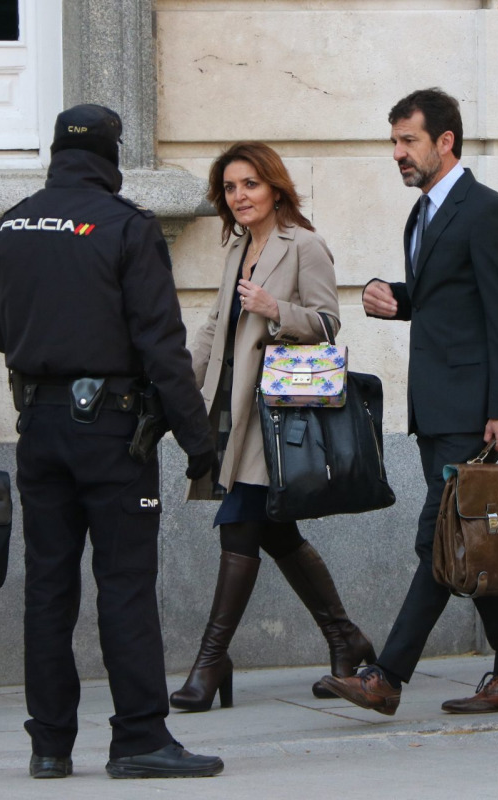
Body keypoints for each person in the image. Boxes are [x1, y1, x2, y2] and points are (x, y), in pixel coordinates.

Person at [0, 104, 224, 780]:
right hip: (113, 434)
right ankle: (139, 738)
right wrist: (199, 442)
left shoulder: (11, 226)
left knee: (48, 588)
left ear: (56, 152)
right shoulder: (126, 226)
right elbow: (162, 346)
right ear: (111, 156)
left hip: (39, 427)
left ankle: (49, 745)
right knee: (124, 585)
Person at [320, 88, 498, 715]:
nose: (398, 153)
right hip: (436, 408)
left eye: (409, 140)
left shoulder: (488, 212)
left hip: (473, 411)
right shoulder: (422, 215)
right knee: (466, 539)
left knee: (439, 539)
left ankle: (386, 676)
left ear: (445, 141)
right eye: (394, 141)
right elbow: (445, 296)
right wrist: (397, 298)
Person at [170, 142, 376, 712]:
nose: (239, 196)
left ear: (275, 188)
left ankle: (211, 662)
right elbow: (215, 326)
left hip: (278, 414)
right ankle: (344, 637)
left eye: (250, 184)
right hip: (235, 411)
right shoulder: (238, 247)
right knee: (274, 531)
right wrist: (180, 388)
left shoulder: (303, 244)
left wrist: (274, 308)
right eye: (230, 187)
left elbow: (328, 323)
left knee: (238, 523)